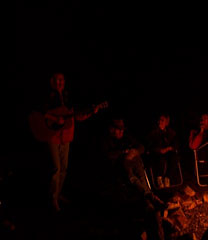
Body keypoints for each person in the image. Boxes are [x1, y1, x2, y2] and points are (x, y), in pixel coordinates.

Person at [31, 73, 106, 212]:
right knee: (56, 168)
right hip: (52, 136)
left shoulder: (68, 96)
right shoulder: (47, 97)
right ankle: (52, 198)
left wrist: (92, 112)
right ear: (51, 81)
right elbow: (39, 113)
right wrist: (54, 119)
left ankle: (57, 194)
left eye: (62, 80)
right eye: (57, 79)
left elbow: (75, 116)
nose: (60, 82)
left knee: (64, 168)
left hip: (66, 136)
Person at [101, 117, 165, 240]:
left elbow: (142, 147)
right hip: (121, 168)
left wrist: (134, 151)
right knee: (130, 176)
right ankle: (150, 196)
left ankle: (149, 195)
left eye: (122, 130)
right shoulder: (106, 141)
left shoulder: (127, 137)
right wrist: (124, 153)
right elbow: (108, 156)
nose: (121, 132)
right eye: (118, 130)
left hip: (135, 163)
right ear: (111, 130)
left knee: (140, 175)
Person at [146, 114, 180, 188]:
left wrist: (169, 148)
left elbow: (176, 144)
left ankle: (167, 178)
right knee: (161, 159)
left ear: (166, 122)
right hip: (156, 153)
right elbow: (149, 146)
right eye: (159, 120)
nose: (160, 122)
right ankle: (159, 178)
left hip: (167, 152)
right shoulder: (153, 133)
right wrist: (159, 150)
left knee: (174, 157)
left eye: (162, 120)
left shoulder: (171, 132)